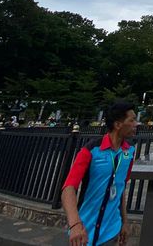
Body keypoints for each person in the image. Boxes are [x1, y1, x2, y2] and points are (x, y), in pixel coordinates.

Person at [61, 101, 137, 246]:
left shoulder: (129, 152)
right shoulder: (91, 151)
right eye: (132, 120)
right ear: (118, 124)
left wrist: (124, 222)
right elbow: (68, 188)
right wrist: (75, 224)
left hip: (112, 230)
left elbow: (120, 189)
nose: (136, 124)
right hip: (84, 231)